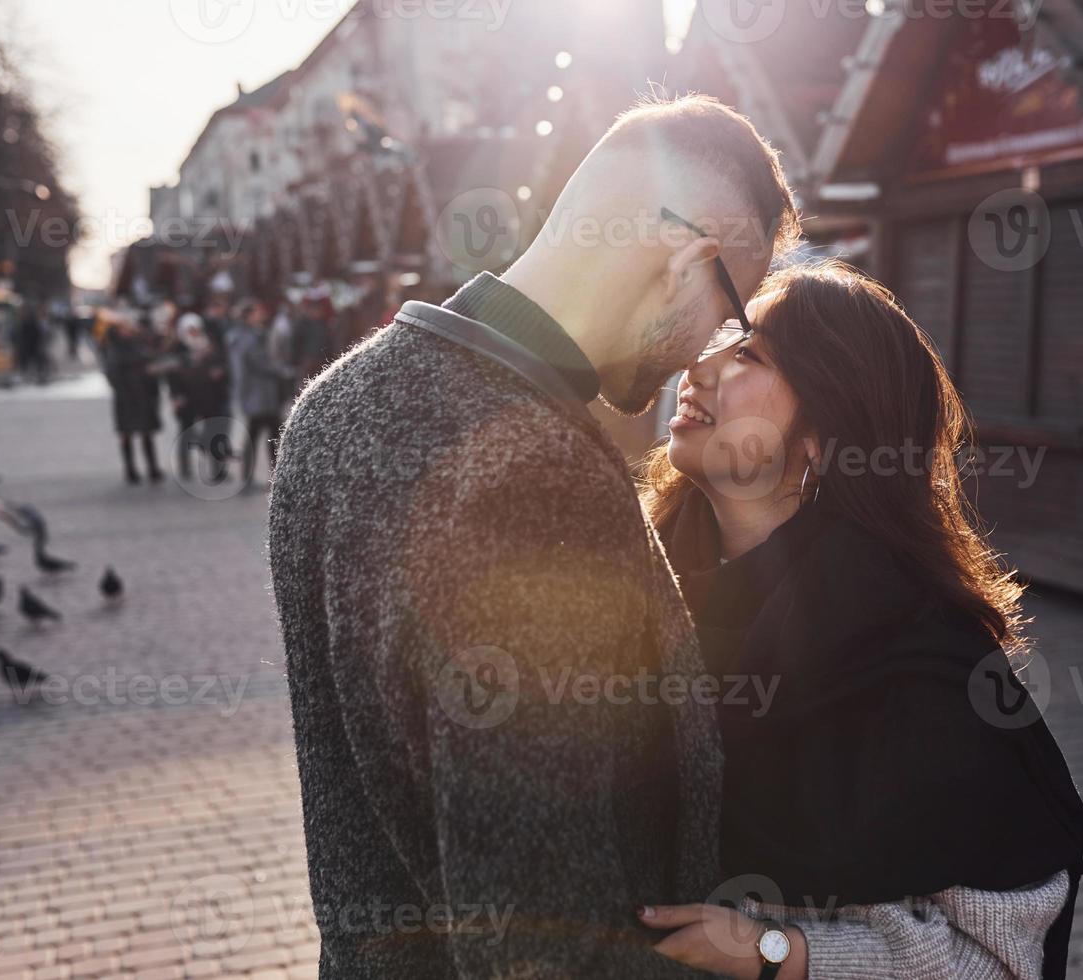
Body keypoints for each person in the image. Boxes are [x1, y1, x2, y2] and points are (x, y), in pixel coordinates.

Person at [268, 93, 797, 977]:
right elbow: (536, 932)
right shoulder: (534, 471)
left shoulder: (332, 401)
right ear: (688, 261)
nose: (709, 350)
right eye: (733, 312)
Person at [635, 262, 1083, 979]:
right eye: (718, 339)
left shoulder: (920, 663)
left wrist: (777, 952)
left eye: (747, 353)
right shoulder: (629, 590)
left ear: (822, 435)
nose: (699, 363)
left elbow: (1000, 960)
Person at [229, 300, 293, 488]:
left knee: (264, 435)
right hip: (260, 395)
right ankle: (272, 476)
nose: (261, 315)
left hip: (260, 395)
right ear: (249, 316)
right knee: (268, 435)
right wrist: (281, 371)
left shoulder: (245, 335)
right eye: (256, 312)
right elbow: (259, 363)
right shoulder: (248, 337)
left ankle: (266, 475)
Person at [101, 313, 164, 485]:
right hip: (126, 398)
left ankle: (153, 468)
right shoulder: (115, 349)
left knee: (147, 433)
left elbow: (150, 360)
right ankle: (130, 469)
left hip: (143, 395)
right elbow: (113, 374)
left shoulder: (138, 344)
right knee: (127, 435)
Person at [170, 312, 233, 483]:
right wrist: (176, 396)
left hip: (209, 396)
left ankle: (217, 469)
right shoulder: (178, 349)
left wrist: (219, 373)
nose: (194, 333)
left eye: (196, 329)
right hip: (188, 397)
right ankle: (185, 466)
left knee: (213, 433)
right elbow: (173, 376)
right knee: (186, 433)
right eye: (190, 330)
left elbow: (223, 366)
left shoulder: (210, 345)